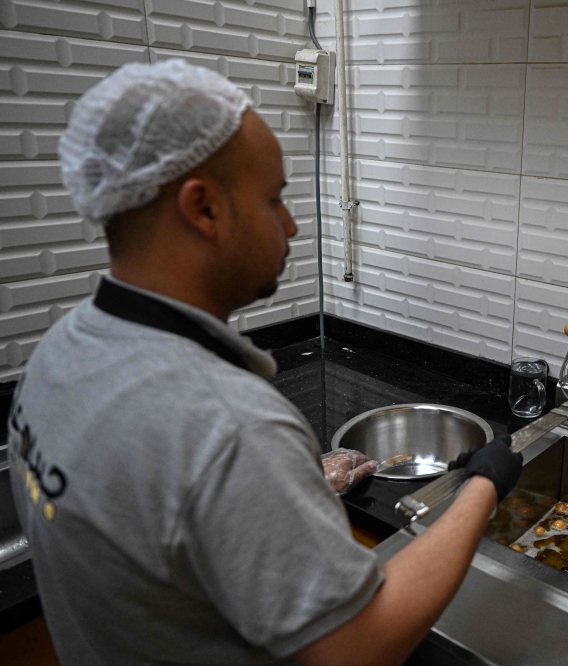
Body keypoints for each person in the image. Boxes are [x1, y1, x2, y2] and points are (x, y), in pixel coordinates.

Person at [6, 59, 522, 666]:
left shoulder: (61, 351)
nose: (292, 224)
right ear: (204, 209)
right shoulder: (228, 424)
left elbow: (157, 521)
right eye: (274, 198)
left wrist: (284, 485)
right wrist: (482, 486)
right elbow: (361, 647)